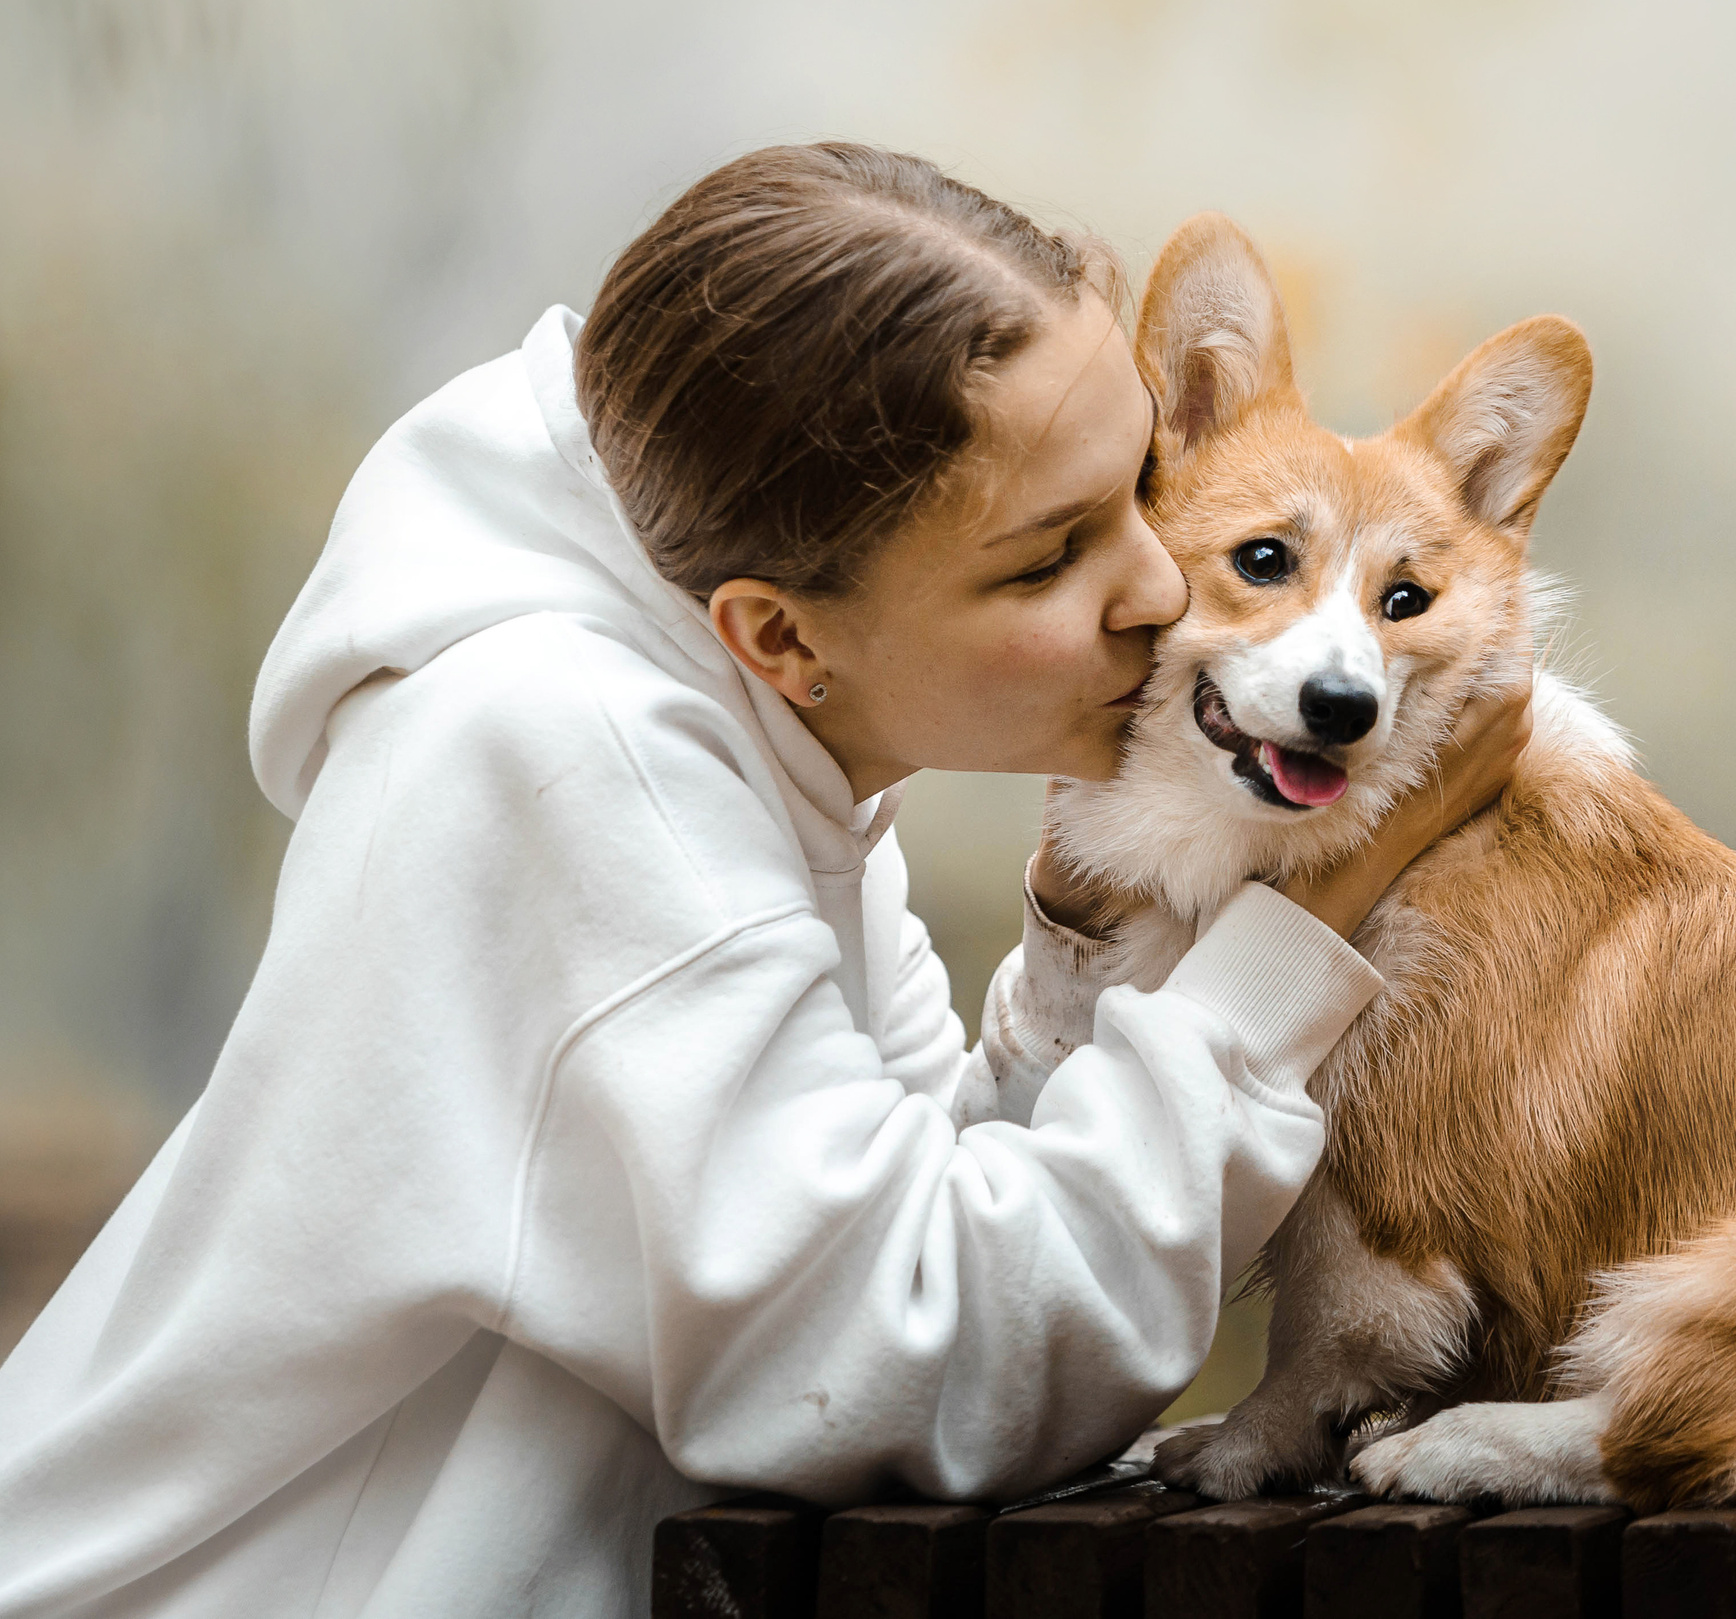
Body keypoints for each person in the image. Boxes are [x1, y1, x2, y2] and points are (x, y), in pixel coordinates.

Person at [0, 143, 1528, 1617]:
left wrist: (1081, 930)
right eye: (1049, 555)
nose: (1157, 580)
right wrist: (1295, 941)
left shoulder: (766, 744)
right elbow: (922, 1368)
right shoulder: (575, 761)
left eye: (1139, 482)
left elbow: (920, 1204)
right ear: (782, 635)